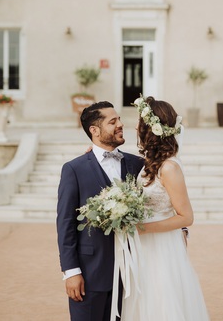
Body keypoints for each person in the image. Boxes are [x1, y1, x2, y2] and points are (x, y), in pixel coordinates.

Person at [121, 96, 210, 320]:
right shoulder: (151, 162)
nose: (134, 126)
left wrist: (143, 227)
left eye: (139, 122)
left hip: (161, 246)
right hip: (145, 246)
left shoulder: (169, 167)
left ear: (150, 128)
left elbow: (186, 216)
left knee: (161, 300)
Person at [57, 102, 145, 321]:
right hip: (90, 274)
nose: (120, 125)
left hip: (131, 276)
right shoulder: (74, 169)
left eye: (120, 120)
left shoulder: (138, 164)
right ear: (94, 130)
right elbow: (66, 223)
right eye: (112, 121)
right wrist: (71, 271)